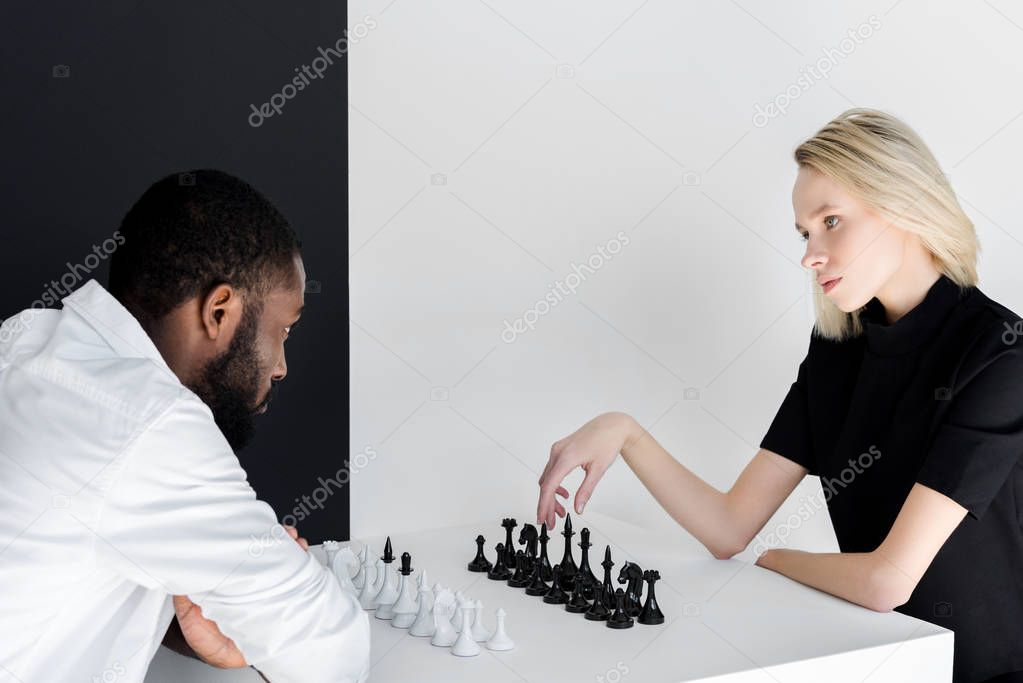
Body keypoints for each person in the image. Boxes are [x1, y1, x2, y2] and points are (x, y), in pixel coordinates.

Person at [536, 109, 1023, 683]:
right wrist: (624, 432)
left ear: (904, 207)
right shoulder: (838, 350)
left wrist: (774, 561)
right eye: (804, 233)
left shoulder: (999, 355)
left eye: (831, 222)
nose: (809, 255)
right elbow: (728, 526)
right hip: (873, 659)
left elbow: (888, 580)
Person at [0, 169, 371, 682]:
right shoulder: (151, 423)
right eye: (283, 330)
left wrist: (206, 620)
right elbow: (333, 654)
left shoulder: (23, 342)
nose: (282, 364)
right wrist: (280, 575)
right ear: (219, 311)